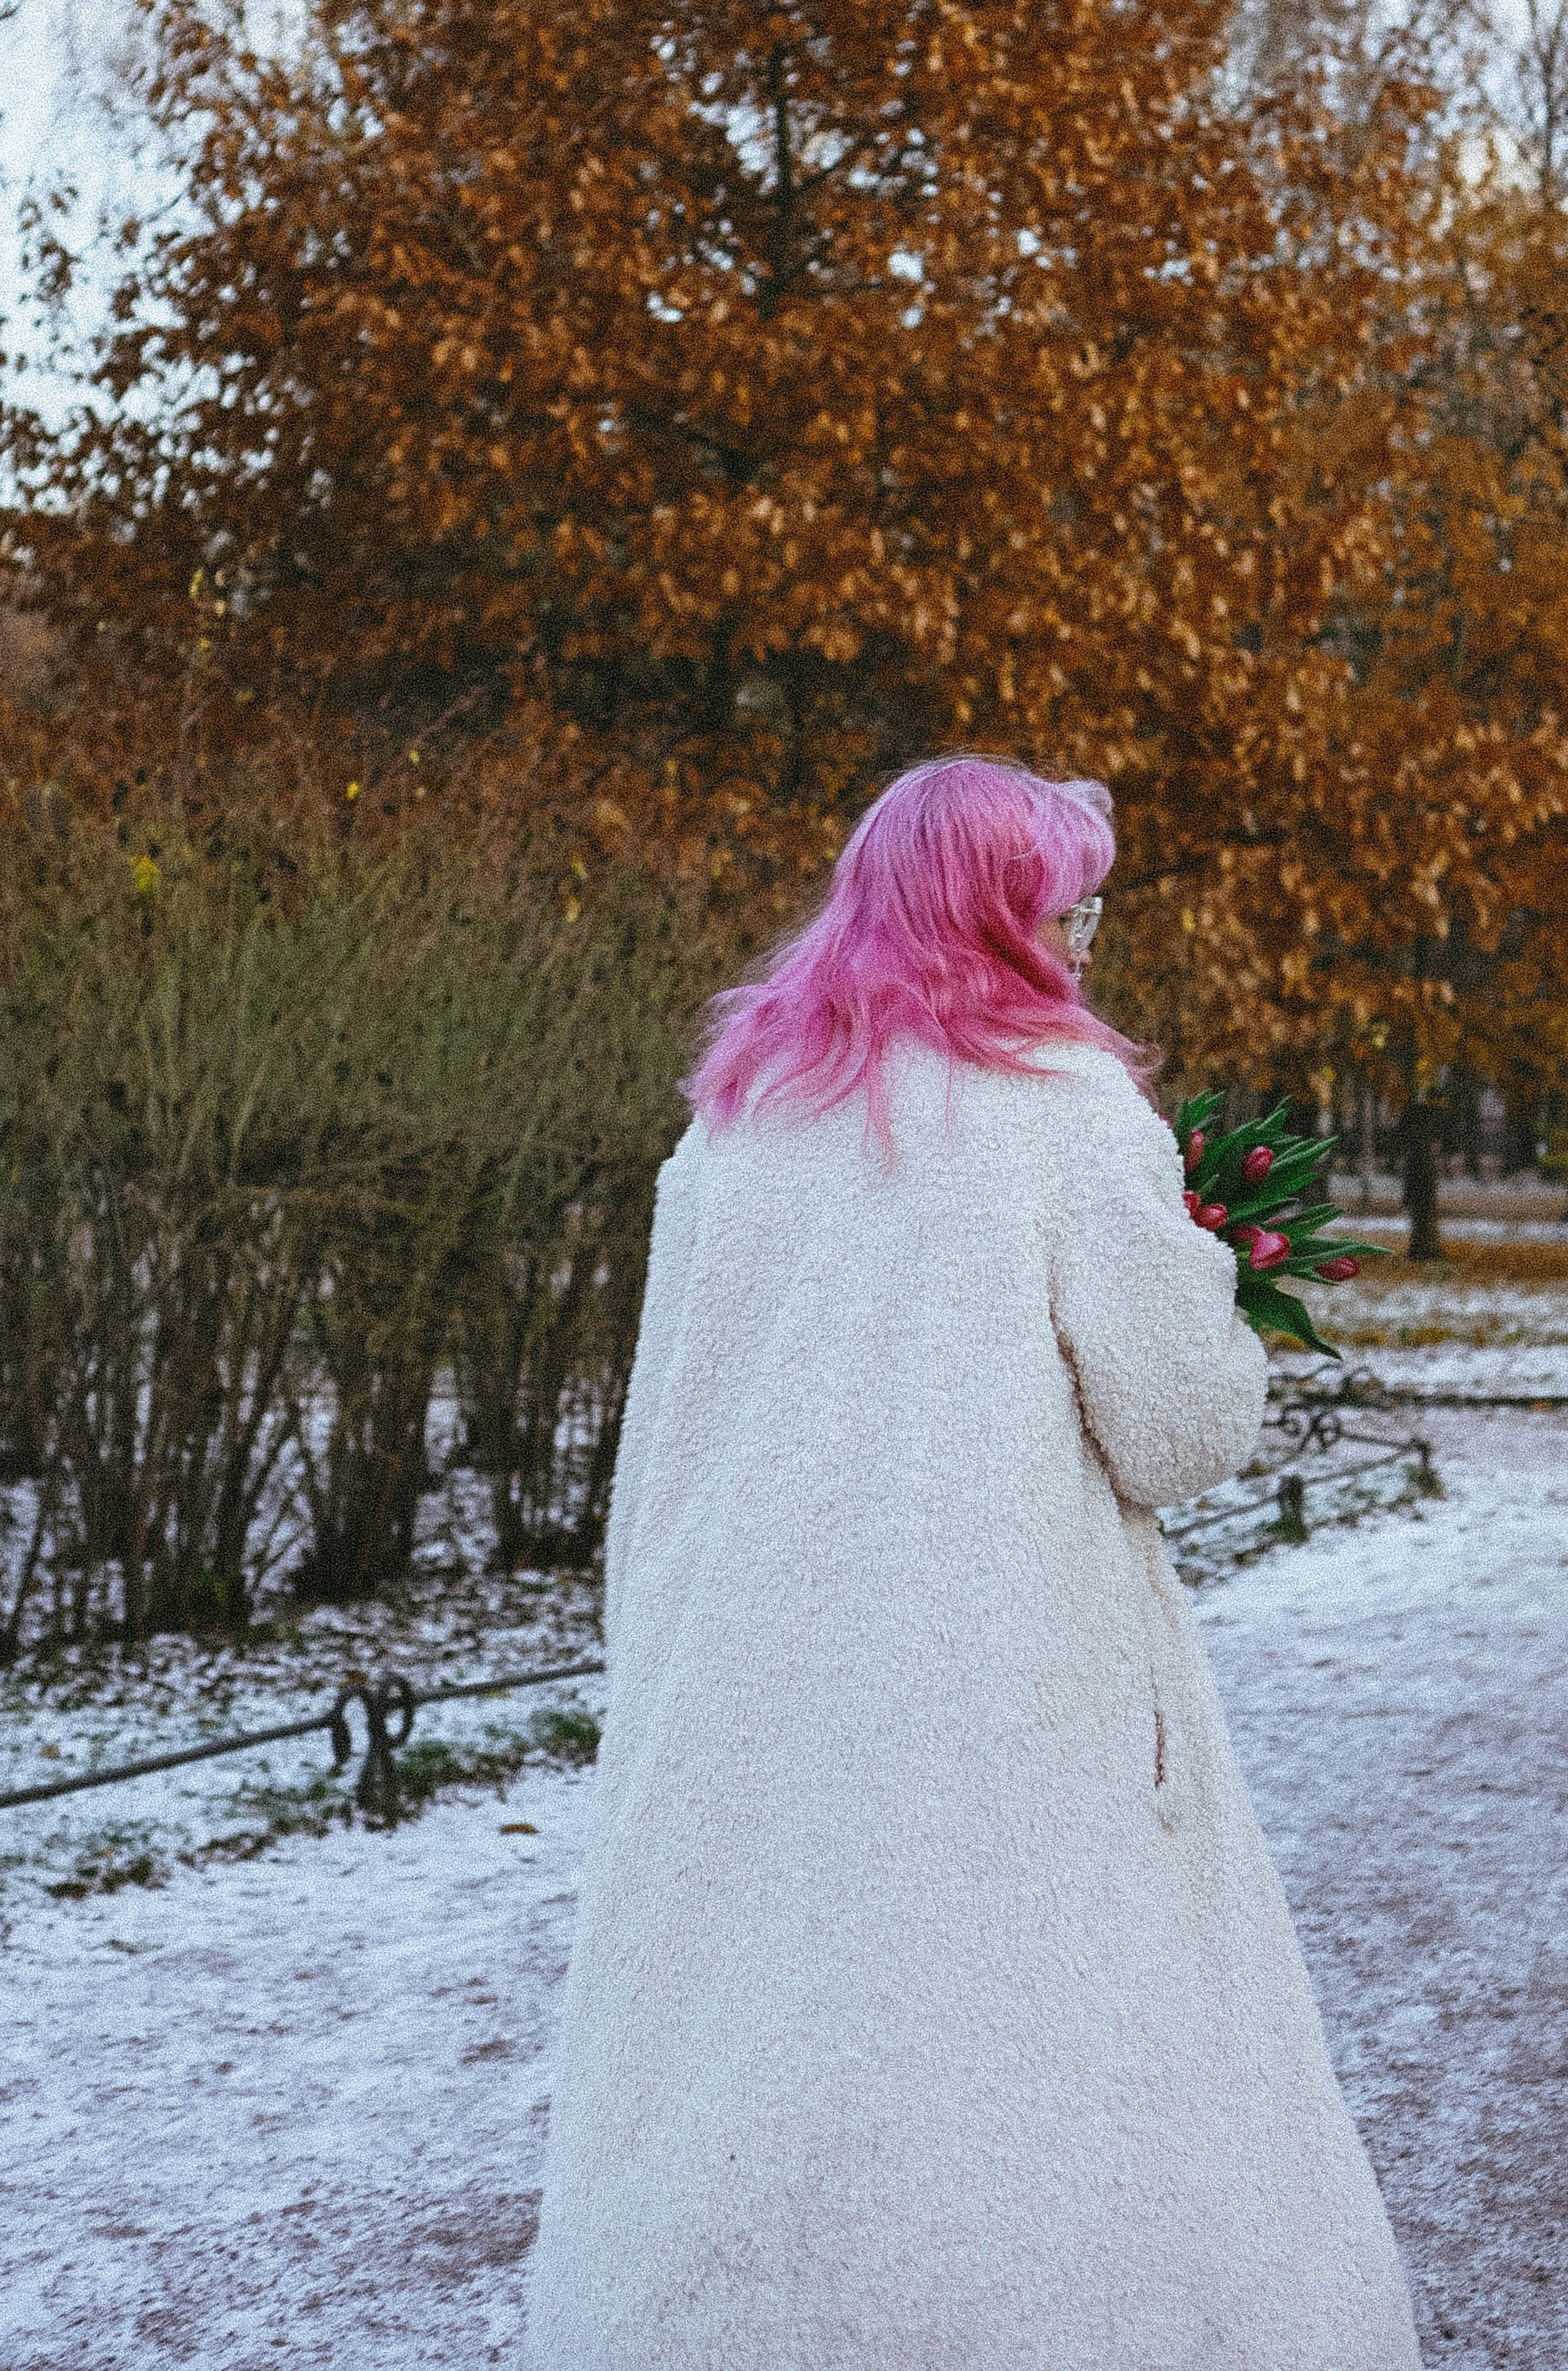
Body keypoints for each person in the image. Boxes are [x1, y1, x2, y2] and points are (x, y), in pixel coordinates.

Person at [523, 757, 1422, 2370]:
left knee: (769, 2033)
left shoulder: (730, 1128)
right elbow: (1175, 1430)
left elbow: (664, 1427)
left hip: (748, 1676)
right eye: (1065, 911)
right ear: (999, 918)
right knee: (1037, 2050)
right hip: (1011, 1683)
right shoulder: (1067, 1122)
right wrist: (1215, 1287)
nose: (1082, 943)